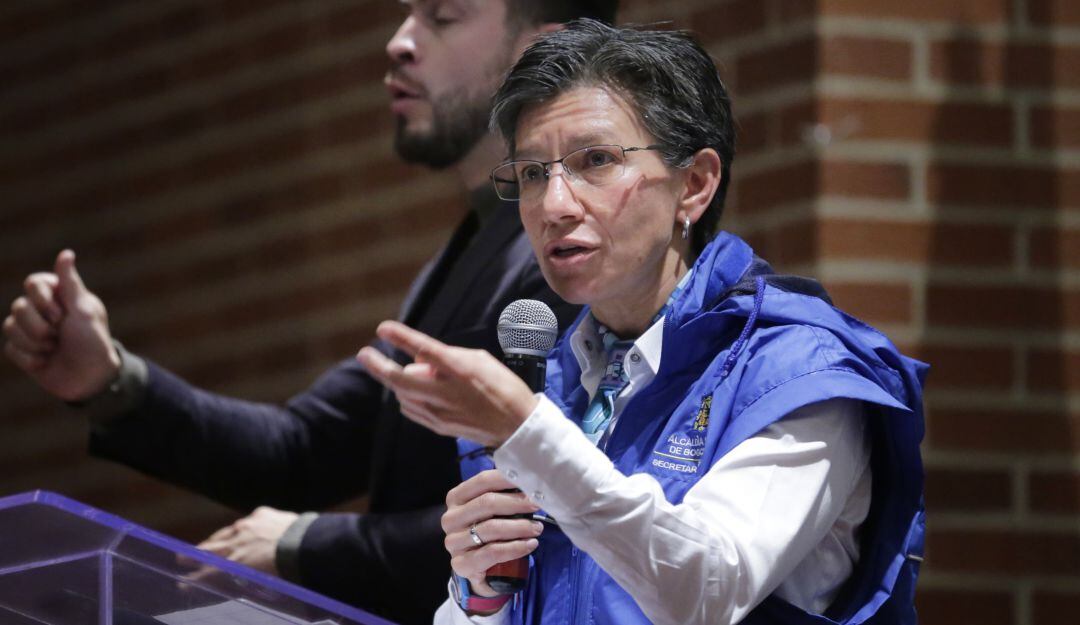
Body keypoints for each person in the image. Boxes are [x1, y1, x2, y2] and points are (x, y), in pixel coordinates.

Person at [1, 2, 619, 624]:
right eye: (407, 14)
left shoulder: (571, 254)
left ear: (542, 52)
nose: (400, 42)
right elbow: (301, 452)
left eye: (443, 17)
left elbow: (560, 512)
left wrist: (308, 544)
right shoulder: (470, 250)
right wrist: (108, 380)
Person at [358, 19, 928, 625]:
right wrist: (478, 594)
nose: (554, 205)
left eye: (596, 160)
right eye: (532, 173)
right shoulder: (547, 380)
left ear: (695, 185)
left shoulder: (798, 372)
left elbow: (708, 589)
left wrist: (530, 434)